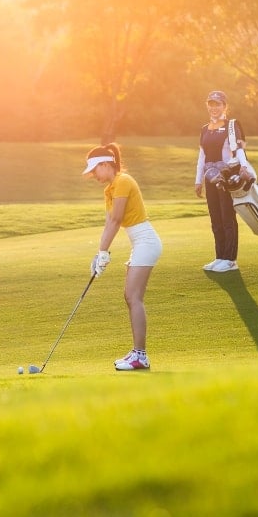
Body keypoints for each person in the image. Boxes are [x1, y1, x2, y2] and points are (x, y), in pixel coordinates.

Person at [83, 143, 162, 371]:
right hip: (139, 243)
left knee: (133, 297)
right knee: (130, 296)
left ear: (107, 164)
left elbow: (117, 221)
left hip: (146, 241)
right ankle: (137, 353)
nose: (93, 175)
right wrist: (100, 254)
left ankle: (141, 356)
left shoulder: (123, 181)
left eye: (95, 169)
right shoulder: (110, 189)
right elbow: (109, 222)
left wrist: (104, 253)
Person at [194, 90, 255, 272]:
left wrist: (244, 166)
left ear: (225, 106)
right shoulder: (205, 129)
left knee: (227, 217)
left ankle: (230, 260)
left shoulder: (231, 126)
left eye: (217, 104)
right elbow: (201, 156)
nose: (214, 108)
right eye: (211, 104)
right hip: (210, 177)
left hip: (227, 177)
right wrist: (198, 180)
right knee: (215, 218)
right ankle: (220, 256)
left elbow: (239, 150)